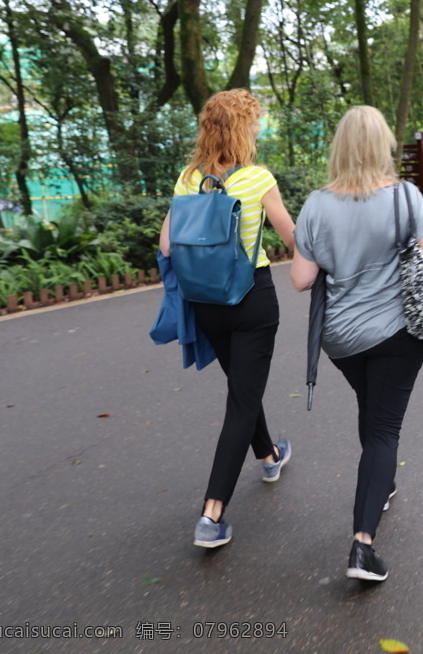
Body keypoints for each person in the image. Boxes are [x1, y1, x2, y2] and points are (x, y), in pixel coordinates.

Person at [290, 106, 423, 582]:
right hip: (397, 333)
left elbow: (302, 279)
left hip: (340, 339)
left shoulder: (316, 204)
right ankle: (363, 546)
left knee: (372, 407)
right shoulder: (405, 198)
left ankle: (380, 482)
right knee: (384, 430)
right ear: (382, 145)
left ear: (339, 146)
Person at [158, 89, 299, 550]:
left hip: (206, 303)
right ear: (242, 129)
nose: (258, 128)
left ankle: (270, 454)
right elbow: (294, 239)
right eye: (254, 122)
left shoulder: (187, 179)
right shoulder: (257, 179)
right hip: (252, 300)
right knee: (242, 399)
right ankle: (211, 514)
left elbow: (165, 246)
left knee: (243, 388)